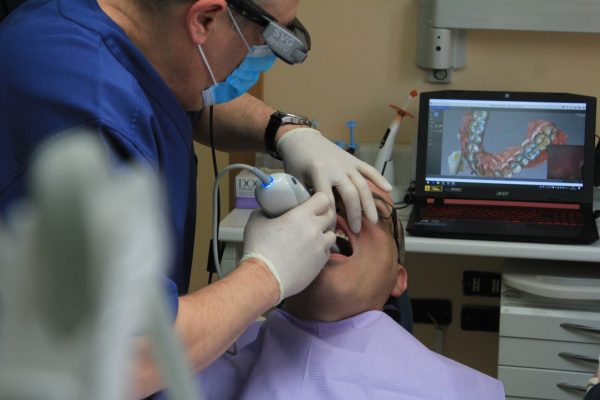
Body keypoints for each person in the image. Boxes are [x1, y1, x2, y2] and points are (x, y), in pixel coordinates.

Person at [0, 0, 392, 398]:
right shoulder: (81, 107)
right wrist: (265, 274)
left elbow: (190, 93)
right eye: (264, 38)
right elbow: (124, 358)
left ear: (400, 279)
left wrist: (285, 131)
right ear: (203, 19)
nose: (258, 60)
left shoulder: (122, 39)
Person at [190, 181, 506, 399]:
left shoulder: (463, 391)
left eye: (370, 210)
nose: (339, 217)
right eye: (320, 205)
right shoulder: (195, 354)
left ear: (399, 279)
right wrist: (258, 275)